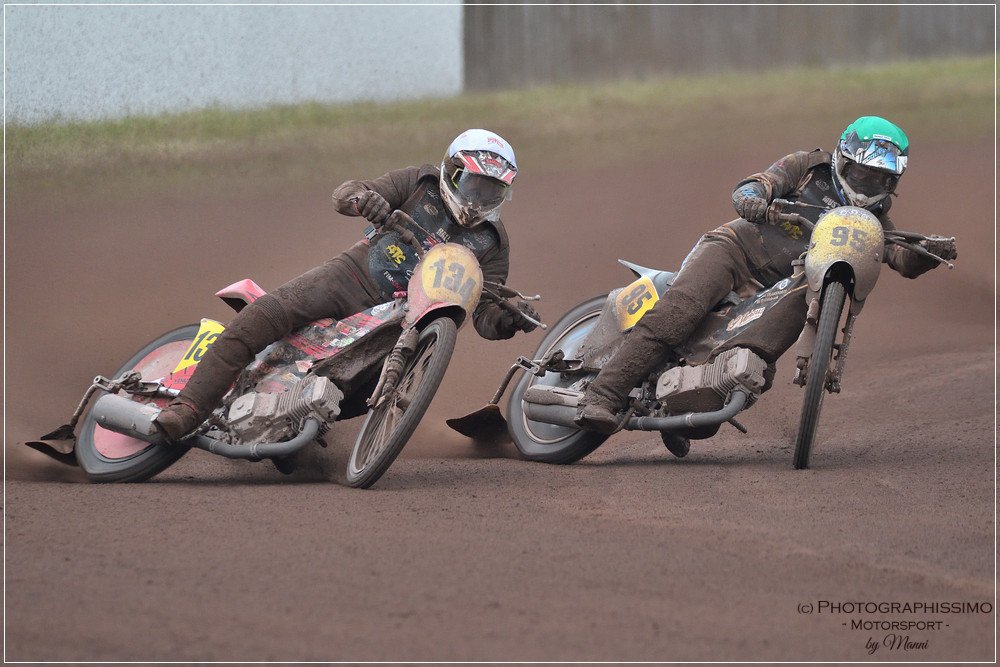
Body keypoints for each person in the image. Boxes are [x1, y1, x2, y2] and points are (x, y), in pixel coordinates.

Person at [574, 116, 958, 452]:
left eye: (881, 179)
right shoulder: (808, 167)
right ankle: (602, 395)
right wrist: (753, 200)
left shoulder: (873, 218)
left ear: (893, 182)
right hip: (737, 251)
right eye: (862, 173)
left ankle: (682, 404)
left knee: (754, 366)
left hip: (781, 286)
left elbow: (898, 257)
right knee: (678, 315)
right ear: (843, 159)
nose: (869, 184)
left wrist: (928, 252)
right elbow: (754, 185)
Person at [154, 129, 539, 442]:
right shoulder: (417, 183)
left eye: (492, 190)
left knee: (354, 394)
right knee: (268, 313)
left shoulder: (493, 242)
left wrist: (510, 317)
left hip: (408, 324)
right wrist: (365, 200)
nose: (479, 199)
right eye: (473, 185)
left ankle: (293, 427)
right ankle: (187, 409)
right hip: (351, 278)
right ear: (450, 171)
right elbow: (345, 193)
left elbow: (485, 314)